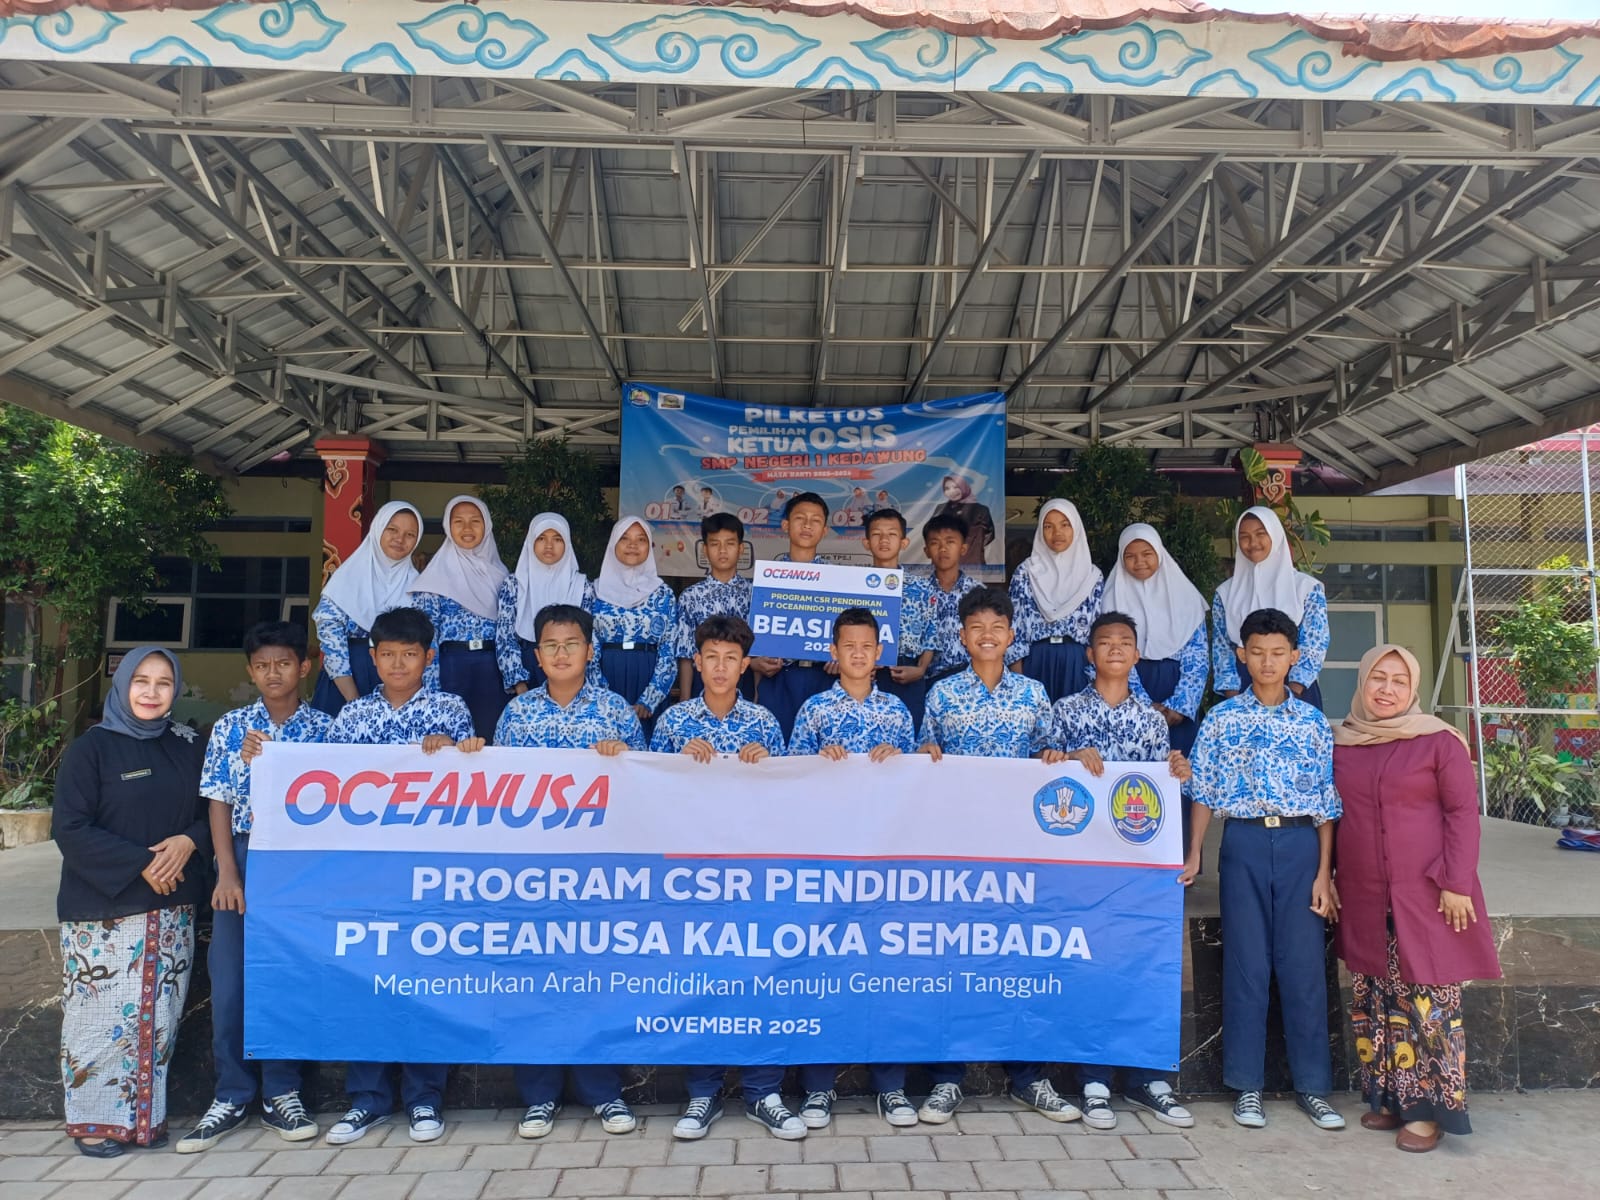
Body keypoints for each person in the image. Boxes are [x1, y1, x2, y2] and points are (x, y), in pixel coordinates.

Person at [916, 588, 1081, 1126]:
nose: (987, 636)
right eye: (976, 628)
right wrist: (925, 754)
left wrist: (1053, 756)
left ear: (1012, 636)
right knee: (953, 958)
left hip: (1018, 850)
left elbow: (1047, 755)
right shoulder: (941, 694)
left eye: (996, 628)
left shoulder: (1034, 694)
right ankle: (946, 1078)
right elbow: (923, 759)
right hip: (956, 848)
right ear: (962, 636)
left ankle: (1028, 1077)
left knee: (1018, 958)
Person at [324, 606, 483, 1146]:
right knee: (366, 982)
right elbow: (328, 787)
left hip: (431, 872)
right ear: (372, 658)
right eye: (387, 654)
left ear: (428, 657)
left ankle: (424, 1098)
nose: (397, 664)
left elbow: (471, 782)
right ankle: (366, 1099)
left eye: (409, 654)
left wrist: (460, 753)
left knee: (424, 983)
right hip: (368, 873)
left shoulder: (450, 710)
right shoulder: (351, 718)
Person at [1181, 607, 1344, 1133]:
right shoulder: (1222, 718)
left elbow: (1326, 804)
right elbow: (1203, 790)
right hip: (1244, 843)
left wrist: (1324, 874)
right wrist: (1195, 852)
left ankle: (1313, 1087)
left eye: (1277, 653)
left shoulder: (1312, 722)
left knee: (1303, 967)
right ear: (1240, 655)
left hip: (1300, 846)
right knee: (1246, 964)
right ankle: (1246, 1086)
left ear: (1295, 657)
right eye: (1257, 652)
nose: (1267, 662)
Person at [1332, 644, 1500, 1153]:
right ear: (1362, 683)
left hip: (1427, 894)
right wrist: (1330, 875)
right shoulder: (1343, 743)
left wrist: (1457, 881)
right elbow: (1333, 816)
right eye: (1377, 678)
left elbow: (1462, 814)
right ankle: (1388, 1098)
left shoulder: (1439, 741)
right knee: (1376, 999)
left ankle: (1430, 1113)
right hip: (1364, 893)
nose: (1386, 689)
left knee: (1429, 1005)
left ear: (1414, 689)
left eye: (1398, 681)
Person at [179, 622, 331, 1154]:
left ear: (304, 668)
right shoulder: (232, 728)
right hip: (244, 857)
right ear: (250, 670)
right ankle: (231, 1092)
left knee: (286, 975)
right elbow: (218, 801)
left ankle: (282, 1091)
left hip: (300, 865)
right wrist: (226, 872)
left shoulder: (325, 729)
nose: (273, 673)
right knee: (232, 978)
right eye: (263, 665)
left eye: (284, 663)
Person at [494, 603, 644, 1139]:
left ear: (590, 650)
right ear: (537, 656)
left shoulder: (615, 711)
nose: (562, 654)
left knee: (594, 981)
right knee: (534, 982)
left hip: (597, 872)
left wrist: (624, 758)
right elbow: (497, 791)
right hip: (534, 873)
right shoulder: (517, 715)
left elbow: (648, 790)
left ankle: (603, 1092)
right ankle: (539, 1096)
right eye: (551, 646)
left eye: (572, 644)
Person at [53, 647, 209, 1156]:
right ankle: (95, 1123)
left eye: (164, 682)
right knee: (97, 1022)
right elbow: (70, 827)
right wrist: (141, 863)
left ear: (176, 689)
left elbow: (215, 809)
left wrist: (189, 841)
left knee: (157, 1021)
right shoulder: (92, 749)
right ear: (122, 685)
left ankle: (144, 1122)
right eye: (141, 680)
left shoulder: (188, 745)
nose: (151, 692)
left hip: (171, 908)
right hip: (103, 910)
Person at [650, 616, 795, 1141]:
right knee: (701, 982)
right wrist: (677, 763)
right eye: (710, 656)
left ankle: (764, 1091)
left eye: (731, 658)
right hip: (692, 876)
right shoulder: (673, 723)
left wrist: (768, 763)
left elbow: (788, 797)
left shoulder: (763, 722)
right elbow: (649, 794)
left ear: (744, 664)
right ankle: (702, 1093)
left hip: (753, 874)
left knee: (760, 979)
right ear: (698, 660)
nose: (719, 667)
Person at [1050, 612, 1195, 1131]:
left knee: (1142, 961)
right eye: (1105, 642)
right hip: (1080, 864)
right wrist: (1068, 757)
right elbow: (1039, 768)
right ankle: (1094, 1080)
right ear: (1089, 655)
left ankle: (1148, 1078)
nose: (1115, 648)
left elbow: (1161, 787)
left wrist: (1178, 773)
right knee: (1090, 963)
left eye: (1125, 642)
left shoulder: (1153, 721)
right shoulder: (1065, 711)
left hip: (1138, 865)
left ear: (1137, 655)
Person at [790, 608, 921, 1130]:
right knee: (824, 973)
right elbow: (791, 779)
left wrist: (902, 760)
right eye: (849, 646)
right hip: (828, 861)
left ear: (879, 653)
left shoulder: (897, 712)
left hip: (886, 864)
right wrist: (817, 762)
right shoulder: (814, 710)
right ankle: (818, 1088)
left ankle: (891, 1086)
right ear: (834, 651)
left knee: (885, 974)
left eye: (868, 646)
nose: (859, 654)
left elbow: (917, 786)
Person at [1100, 523, 1209, 757]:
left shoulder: (1186, 597)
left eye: (1147, 554)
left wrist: (1180, 706)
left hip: (1177, 692)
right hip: (1128, 689)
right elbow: (1111, 653)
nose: (1139, 562)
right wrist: (1142, 705)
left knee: (1179, 767)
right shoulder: (1110, 599)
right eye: (1130, 556)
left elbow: (1197, 657)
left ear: (1159, 553)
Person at [409, 495, 510, 739]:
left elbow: (508, 631)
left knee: (490, 738)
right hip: (452, 665)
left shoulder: (501, 574)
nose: (467, 528)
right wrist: (430, 687)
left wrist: (512, 677)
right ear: (448, 526)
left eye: (475, 521)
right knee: (451, 738)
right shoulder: (434, 576)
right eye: (458, 521)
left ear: (486, 526)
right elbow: (427, 636)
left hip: (493, 667)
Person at [310, 500, 422, 716]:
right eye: (392, 529)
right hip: (345, 683)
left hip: (399, 683)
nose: (400, 539)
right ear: (378, 528)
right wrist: (354, 702)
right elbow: (333, 647)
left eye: (410, 534)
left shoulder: (419, 588)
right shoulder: (345, 581)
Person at [1213, 507, 1329, 710]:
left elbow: (1314, 645)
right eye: (1244, 536)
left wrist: (1291, 694)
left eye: (1260, 534)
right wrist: (1234, 701)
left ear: (1275, 535)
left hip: (1295, 689)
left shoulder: (1306, 588)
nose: (1252, 543)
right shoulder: (1225, 592)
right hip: (1241, 688)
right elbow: (1222, 648)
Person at [751, 492, 834, 737]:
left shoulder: (837, 579)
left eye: (815, 520)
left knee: (824, 752)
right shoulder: (768, 578)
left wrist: (842, 658)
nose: (807, 525)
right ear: (786, 525)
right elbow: (753, 636)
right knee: (775, 749)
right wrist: (755, 663)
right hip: (778, 679)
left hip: (825, 678)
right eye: (800, 518)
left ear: (824, 531)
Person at [586, 516, 677, 729]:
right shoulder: (594, 591)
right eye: (624, 538)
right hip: (607, 675)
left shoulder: (663, 594)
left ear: (649, 546)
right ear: (613, 544)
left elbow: (668, 649)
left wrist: (650, 698)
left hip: (648, 677)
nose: (632, 545)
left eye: (641, 539)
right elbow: (588, 647)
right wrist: (603, 695)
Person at [1010, 499, 1103, 703]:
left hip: (1077, 662)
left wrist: (1095, 675)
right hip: (1035, 659)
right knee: (1036, 720)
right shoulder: (1025, 572)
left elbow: (1098, 630)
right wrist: (1018, 679)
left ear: (1076, 528)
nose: (1057, 533)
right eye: (1048, 526)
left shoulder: (1092, 576)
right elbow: (1015, 626)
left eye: (1065, 524)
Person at [920, 512, 1024, 689]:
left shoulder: (979, 593)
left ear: (963, 548)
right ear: (926, 551)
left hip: (974, 679)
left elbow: (1010, 646)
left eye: (950, 542)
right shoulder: (918, 593)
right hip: (930, 680)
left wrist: (1018, 686)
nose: (943, 549)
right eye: (935, 543)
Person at [496, 512, 587, 696]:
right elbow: (505, 636)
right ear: (531, 542)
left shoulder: (581, 585)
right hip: (526, 666)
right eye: (541, 538)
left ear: (567, 544)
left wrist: (582, 682)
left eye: (557, 539)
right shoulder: (514, 584)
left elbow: (590, 638)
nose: (549, 545)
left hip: (570, 664)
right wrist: (519, 683)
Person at [862, 509, 933, 728]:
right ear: (866, 543)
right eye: (877, 534)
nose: (884, 540)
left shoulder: (921, 588)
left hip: (907, 674)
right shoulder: (854, 584)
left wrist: (921, 669)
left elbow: (931, 635)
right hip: (863, 673)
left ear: (904, 542)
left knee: (908, 738)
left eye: (892, 534)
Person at [674, 512, 752, 701]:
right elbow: (686, 655)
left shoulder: (755, 594)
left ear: (741, 548)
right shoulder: (691, 596)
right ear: (705, 549)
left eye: (730, 543)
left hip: (745, 678)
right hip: (703, 680)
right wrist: (685, 700)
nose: (722, 550)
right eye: (715, 544)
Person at [934, 474, 994, 566]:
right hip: (944, 561)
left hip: (972, 560)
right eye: (947, 488)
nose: (951, 491)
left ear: (964, 487)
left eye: (955, 487)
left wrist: (973, 545)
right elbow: (932, 533)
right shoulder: (940, 508)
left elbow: (989, 535)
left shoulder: (981, 510)